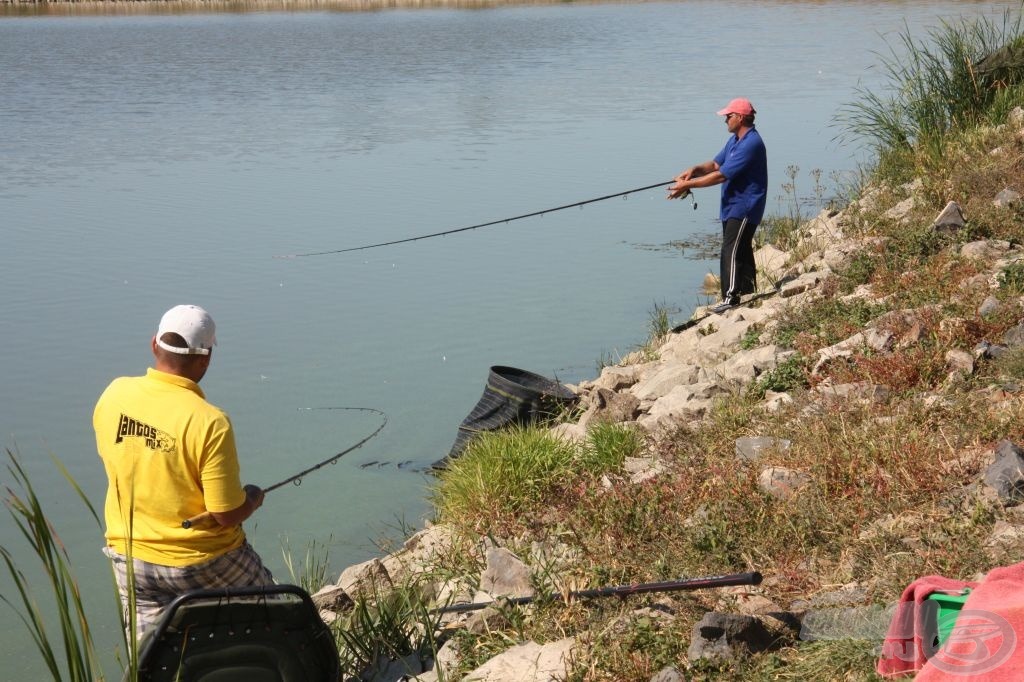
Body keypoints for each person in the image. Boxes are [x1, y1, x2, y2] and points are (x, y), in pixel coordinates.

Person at [93, 304, 273, 641]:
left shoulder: (113, 394)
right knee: (280, 620)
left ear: (154, 345)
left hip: (132, 561)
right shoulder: (209, 421)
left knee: (155, 657)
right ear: (205, 359)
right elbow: (225, 514)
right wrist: (252, 498)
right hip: (203, 562)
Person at [668, 97, 768, 313]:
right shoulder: (735, 140)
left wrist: (687, 185)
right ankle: (749, 292)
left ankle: (730, 298)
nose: (725, 121)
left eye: (728, 116)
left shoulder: (751, 143)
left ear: (740, 118)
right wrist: (694, 170)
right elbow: (714, 165)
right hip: (732, 206)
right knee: (741, 249)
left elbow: (721, 176)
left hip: (745, 207)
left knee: (730, 250)